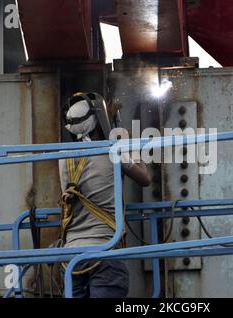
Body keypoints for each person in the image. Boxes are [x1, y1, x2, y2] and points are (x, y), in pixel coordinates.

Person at [59, 92, 151, 298]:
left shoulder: (63, 158)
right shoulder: (113, 151)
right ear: (98, 121)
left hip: (71, 255)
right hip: (104, 251)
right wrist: (132, 150)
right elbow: (144, 179)